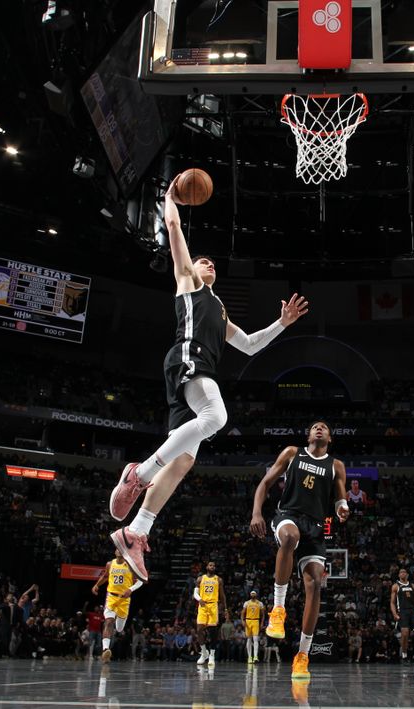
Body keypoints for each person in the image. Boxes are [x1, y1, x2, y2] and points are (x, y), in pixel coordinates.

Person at [109, 172, 309, 581]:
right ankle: (138, 475)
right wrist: (169, 198)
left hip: (194, 375)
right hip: (188, 361)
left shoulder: (219, 309)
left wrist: (282, 323)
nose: (208, 262)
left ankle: (135, 532)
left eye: (211, 262)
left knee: (182, 463)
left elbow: (251, 345)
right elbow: (172, 226)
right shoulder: (188, 281)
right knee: (217, 419)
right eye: (204, 259)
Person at [249, 421, 350, 681]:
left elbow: (341, 498)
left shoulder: (336, 465)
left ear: (330, 438)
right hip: (288, 515)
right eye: (314, 426)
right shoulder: (293, 453)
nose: (318, 428)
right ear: (308, 435)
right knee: (290, 537)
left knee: (316, 583)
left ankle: (302, 656)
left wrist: (342, 508)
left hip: (316, 526)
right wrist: (257, 513)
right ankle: (278, 609)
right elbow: (265, 483)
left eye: (324, 427)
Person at [92, 550, 144, 662]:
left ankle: (115, 631)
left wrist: (130, 589)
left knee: (120, 628)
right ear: (115, 552)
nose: (119, 550)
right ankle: (105, 650)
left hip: (124, 600)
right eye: (117, 548)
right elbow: (105, 576)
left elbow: (140, 582)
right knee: (108, 622)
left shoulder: (131, 565)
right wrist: (97, 585)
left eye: (121, 548)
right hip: (111, 597)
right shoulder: (110, 564)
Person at [193, 561, 226, 667]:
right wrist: (200, 599)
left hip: (213, 606)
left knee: (213, 632)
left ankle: (212, 655)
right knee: (199, 629)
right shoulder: (200, 579)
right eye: (210, 565)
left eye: (214, 565)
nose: (212, 566)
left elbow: (222, 595)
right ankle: (204, 653)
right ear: (207, 567)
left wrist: (225, 609)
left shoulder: (218, 579)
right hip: (202, 605)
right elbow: (195, 593)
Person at [242, 590, 266, 664]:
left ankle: (255, 656)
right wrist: (243, 621)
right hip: (248, 621)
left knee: (255, 639)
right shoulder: (247, 603)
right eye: (252, 594)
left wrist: (262, 623)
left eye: (254, 594)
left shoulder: (260, 603)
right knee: (249, 639)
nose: (253, 595)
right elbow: (242, 613)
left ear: (256, 595)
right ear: (250, 595)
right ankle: (249, 657)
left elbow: (263, 614)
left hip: (256, 621)